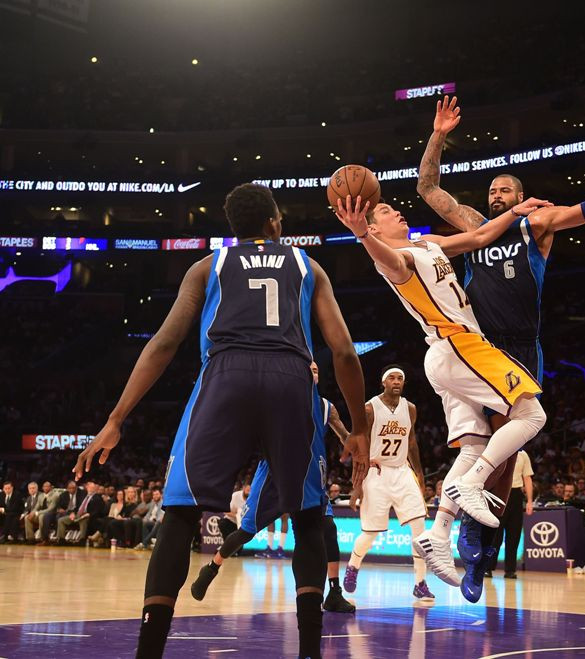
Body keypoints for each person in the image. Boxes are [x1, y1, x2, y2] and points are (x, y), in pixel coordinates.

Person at [73, 182, 369, 659]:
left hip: (225, 375)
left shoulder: (207, 266)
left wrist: (116, 417)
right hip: (292, 378)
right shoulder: (307, 266)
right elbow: (345, 352)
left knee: (180, 515)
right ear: (275, 223)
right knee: (309, 517)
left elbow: (164, 344)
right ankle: (311, 652)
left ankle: (149, 651)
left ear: (233, 229)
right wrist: (357, 428)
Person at [416, 95, 585, 601]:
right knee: (481, 449)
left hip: (520, 347)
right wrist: (438, 134)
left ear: (522, 196)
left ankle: (473, 546)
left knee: (504, 457)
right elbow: (428, 188)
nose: (496, 193)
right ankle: (462, 536)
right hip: (476, 347)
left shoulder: (537, 226)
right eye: (493, 189)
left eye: (505, 189)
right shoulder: (474, 227)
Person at [334, 190, 549, 595]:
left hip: (447, 356)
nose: (395, 208)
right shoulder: (398, 260)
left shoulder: (426, 244)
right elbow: (387, 259)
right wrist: (363, 236)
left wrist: (515, 213)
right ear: (374, 226)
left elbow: (477, 239)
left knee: (474, 445)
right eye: (384, 210)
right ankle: (474, 484)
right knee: (533, 416)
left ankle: (439, 531)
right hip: (459, 344)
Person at [191, 362, 358, 614]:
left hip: (311, 476)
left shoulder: (326, 408)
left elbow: (346, 437)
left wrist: (361, 451)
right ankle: (212, 567)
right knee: (246, 531)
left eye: (316, 370)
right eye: (308, 369)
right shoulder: (279, 399)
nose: (312, 373)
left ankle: (333, 592)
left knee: (328, 529)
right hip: (274, 475)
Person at [344, 365, 434, 601]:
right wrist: (357, 485)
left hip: (402, 471)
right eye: (392, 378)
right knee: (370, 533)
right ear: (383, 382)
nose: (397, 381)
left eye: (400, 378)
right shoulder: (369, 409)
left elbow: (412, 443)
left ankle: (420, 583)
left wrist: (421, 476)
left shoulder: (410, 409)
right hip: (376, 471)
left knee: (419, 529)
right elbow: (360, 447)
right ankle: (353, 567)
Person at [485, 450, 534, 579]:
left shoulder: (523, 454)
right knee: (495, 535)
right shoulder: (499, 450)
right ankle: (488, 567)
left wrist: (529, 501)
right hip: (499, 493)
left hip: (516, 495)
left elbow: (527, 478)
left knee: (514, 534)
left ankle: (510, 570)